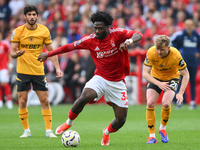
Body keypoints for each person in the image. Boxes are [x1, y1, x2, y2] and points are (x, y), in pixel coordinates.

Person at [38, 11, 143, 146]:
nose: (97, 31)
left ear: (107, 27)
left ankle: (106, 132)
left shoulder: (117, 34)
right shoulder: (90, 40)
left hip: (117, 81)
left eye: (100, 28)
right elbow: (68, 47)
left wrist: (128, 41)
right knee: (84, 97)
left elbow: (138, 35)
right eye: (95, 28)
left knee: (121, 120)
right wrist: (49, 54)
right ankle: (68, 122)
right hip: (100, 77)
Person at [10, 5, 63, 138]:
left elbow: (52, 52)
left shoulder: (44, 31)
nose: (32, 17)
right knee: (22, 101)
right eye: (29, 15)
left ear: (37, 16)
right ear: (25, 16)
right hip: (22, 71)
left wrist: (57, 68)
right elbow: (12, 52)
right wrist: (17, 54)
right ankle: (26, 131)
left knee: (45, 101)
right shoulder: (18, 31)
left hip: (39, 71)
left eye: (34, 14)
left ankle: (48, 131)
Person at [142, 35, 189, 144]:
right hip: (156, 78)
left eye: (162, 49)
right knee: (149, 103)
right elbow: (145, 73)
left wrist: (181, 93)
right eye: (157, 49)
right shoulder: (151, 52)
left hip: (171, 78)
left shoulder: (175, 54)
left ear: (168, 48)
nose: (159, 52)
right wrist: (158, 83)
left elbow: (186, 74)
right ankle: (152, 136)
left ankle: (162, 129)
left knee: (166, 104)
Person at [171, 19, 200, 109]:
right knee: (180, 82)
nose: (189, 26)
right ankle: (179, 102)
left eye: (191, 25)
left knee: (192, 82)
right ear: (185, 25)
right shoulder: (181, 36)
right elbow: (174, 45)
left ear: (193, 26)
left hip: (193, 62)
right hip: (183, 64)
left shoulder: (197, 36)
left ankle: (192, 102)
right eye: (187, 25)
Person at [0, 31, 13, 109]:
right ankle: (0, 101)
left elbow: (9, 54)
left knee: (5, 84)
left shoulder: (5, 44)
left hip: (4, 67)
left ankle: (9, 100)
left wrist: (10, 65)